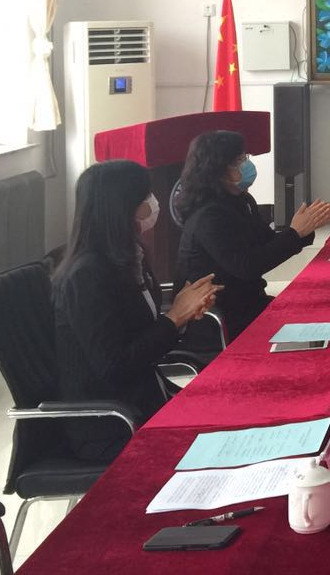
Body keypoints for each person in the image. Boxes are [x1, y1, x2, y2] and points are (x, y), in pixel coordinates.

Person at [53, 160, 220, 460]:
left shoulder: (128, 257)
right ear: (122, 208)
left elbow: (142, 336)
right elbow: (115, 367)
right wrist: (173, 319)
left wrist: (182, 316)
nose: (153, 203)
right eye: (145, 198)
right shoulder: (87, 276)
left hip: (145, 399)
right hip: (111, 421)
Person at [175, 130, 330, 342]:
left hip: (251, 303)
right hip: (221, 317)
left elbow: (266, 241)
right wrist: (295, 233)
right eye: (239, 160)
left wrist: (303, 229)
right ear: (218, 169)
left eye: (245, 157)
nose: (247, 164)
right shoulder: (208, 216)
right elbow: (247, 266)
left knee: (324, 310)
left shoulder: (241, 200)